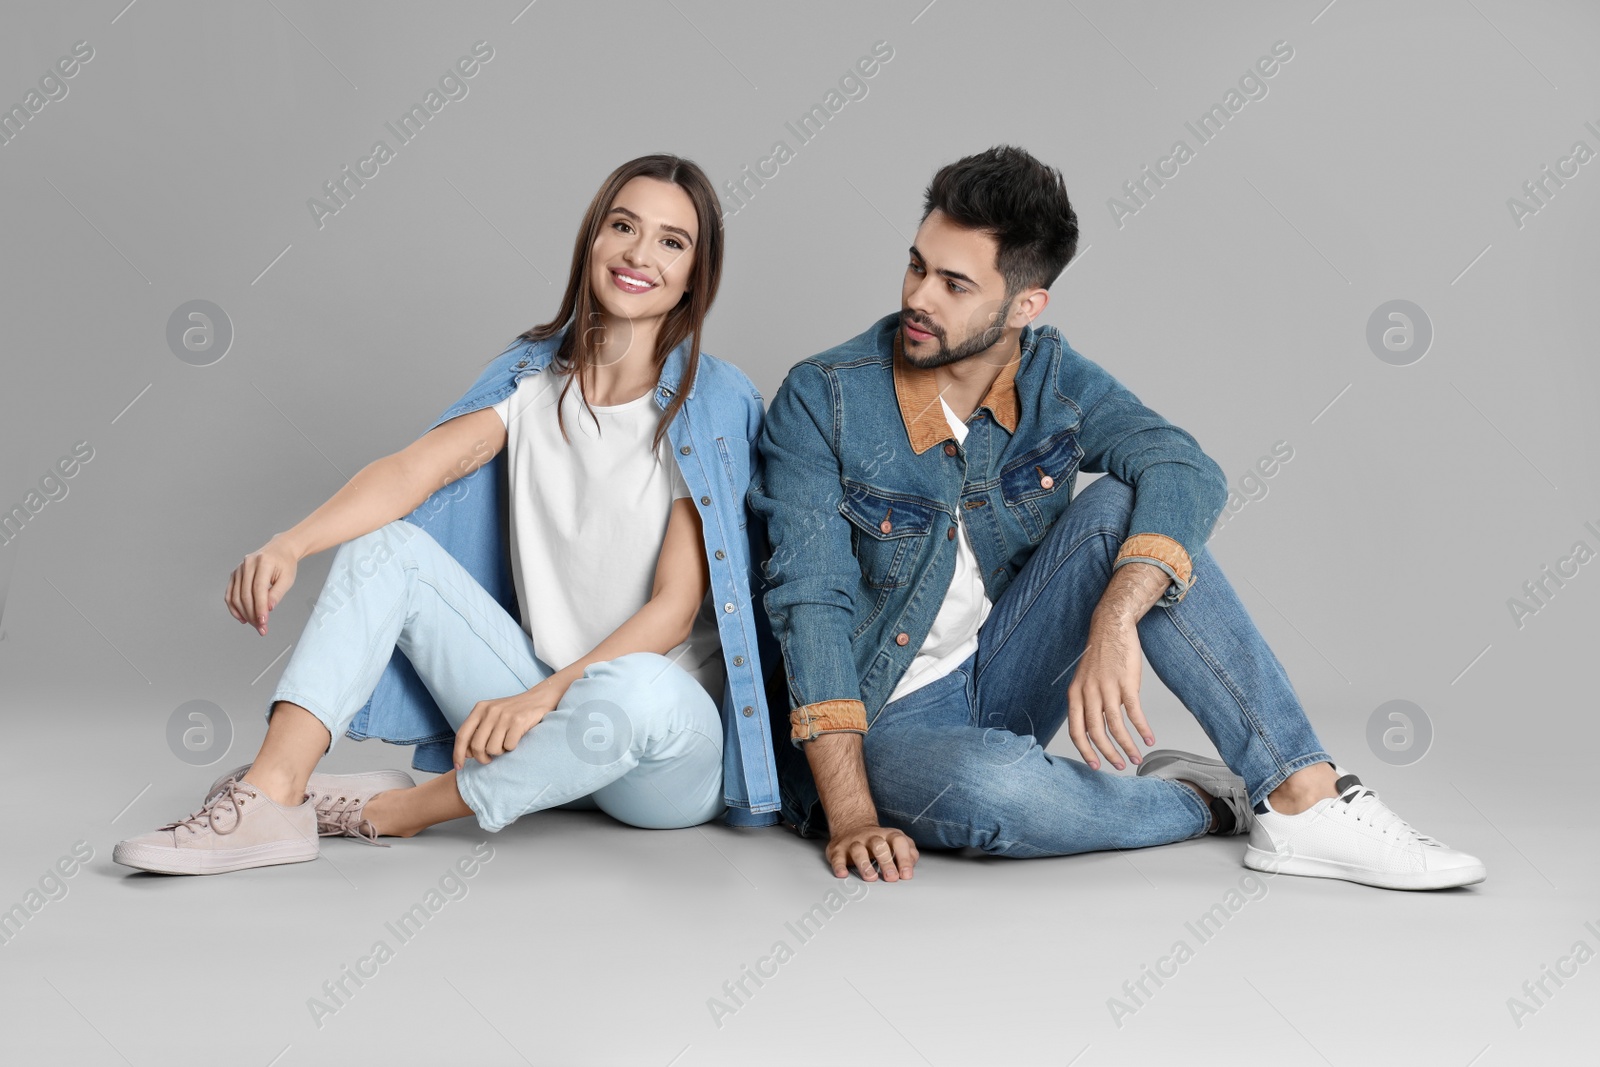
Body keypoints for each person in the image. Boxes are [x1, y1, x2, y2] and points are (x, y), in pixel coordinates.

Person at [748, 144, 1485, 891]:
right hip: (879, 720)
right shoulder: (825, 397)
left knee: (1131, 504)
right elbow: (810, 603)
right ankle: (1206, 799)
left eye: (954, 283)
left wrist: (1116, 617)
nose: (919, 297)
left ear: (1024, 306)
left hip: (1000, 674)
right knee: (992, 790)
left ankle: (1301, 792)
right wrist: (846, 814)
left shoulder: (1053, 379)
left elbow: (1184, 464)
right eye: (917, 265)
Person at [115, 153, 782, 876]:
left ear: (694, 275)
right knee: (387, 549)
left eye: (671, 241)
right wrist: (291, 542)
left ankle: (392, 811)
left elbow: (676, 612)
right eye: (623, 225)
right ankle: (272, 794)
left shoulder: (707, 401)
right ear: (593, 237)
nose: (638, 254)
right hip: (532, 712)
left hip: (656, 753)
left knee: (639, 687)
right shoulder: (532, 376)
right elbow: (415, 469)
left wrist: (540, 699)